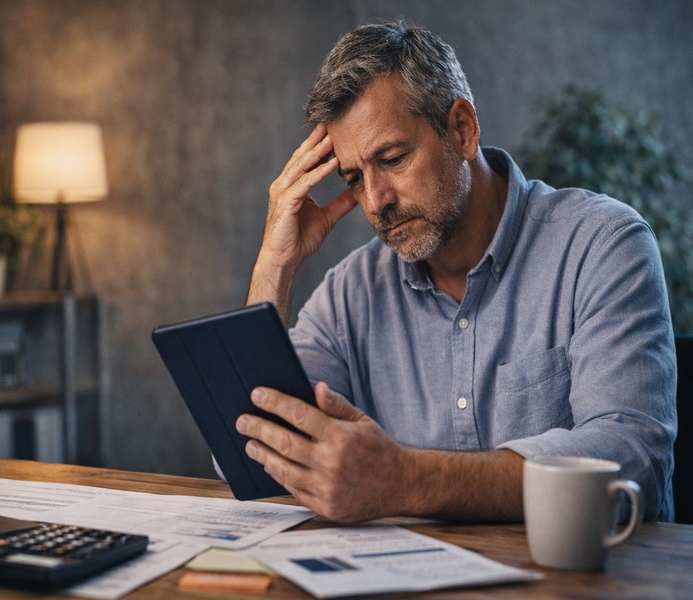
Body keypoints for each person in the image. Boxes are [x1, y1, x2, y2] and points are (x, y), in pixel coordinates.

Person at [235, 21, 677, 523]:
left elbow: (630, 458)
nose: (376, 202)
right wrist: (276, 263)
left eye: (394, 158)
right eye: (355, 179)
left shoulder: (602, 245)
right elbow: (252, 449)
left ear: (462, 130)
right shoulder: (351, 292)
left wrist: (406, 480)